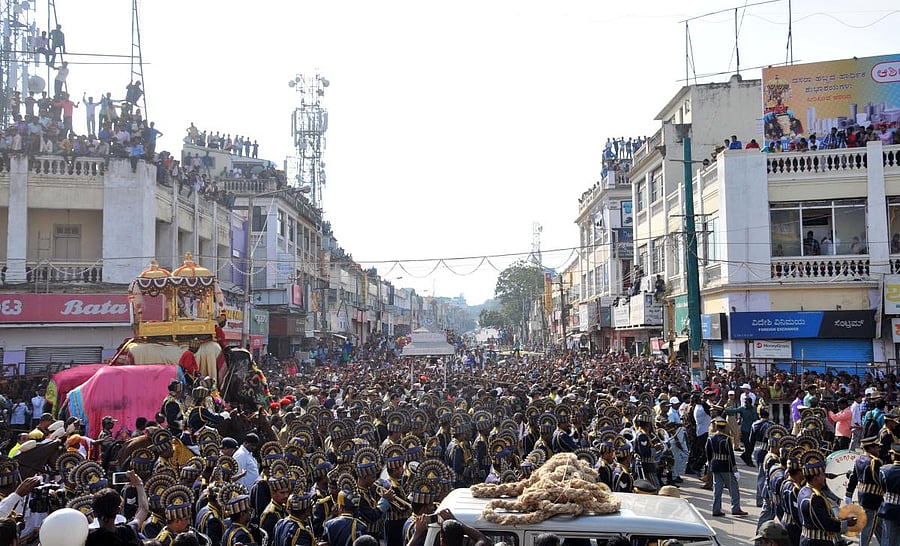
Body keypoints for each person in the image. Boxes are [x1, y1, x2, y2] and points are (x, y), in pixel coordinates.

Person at [706, 418, 747, 517]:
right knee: (733, 489)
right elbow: (730, 455)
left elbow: (708, 452)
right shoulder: (726, 439)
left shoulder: (711, 438)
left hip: (715, 465)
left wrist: (709, 463)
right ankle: (735, 508)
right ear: (724, 427)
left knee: (717, 489)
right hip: (725, 466)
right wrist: (735, 469)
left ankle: (716, 509)